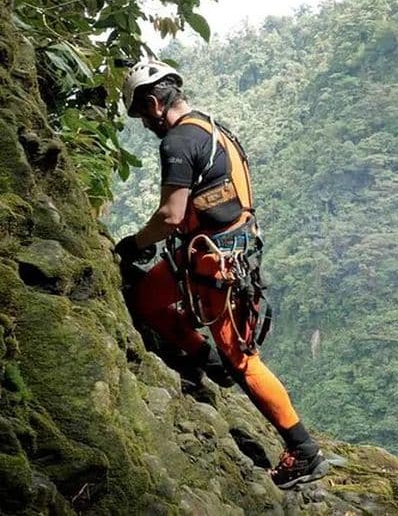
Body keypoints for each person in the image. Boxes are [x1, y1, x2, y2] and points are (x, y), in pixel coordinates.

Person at [114, 59, 329, 489]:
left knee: (243, 360)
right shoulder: (212, 126)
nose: (144, 124)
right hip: (223, 252)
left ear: (155, 104)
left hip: (214, 262)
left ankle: (304, 450)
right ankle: (206, 361)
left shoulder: (178, 141)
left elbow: (171, 215)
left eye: (141, 115)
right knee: (146, 299)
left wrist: (135, 244)